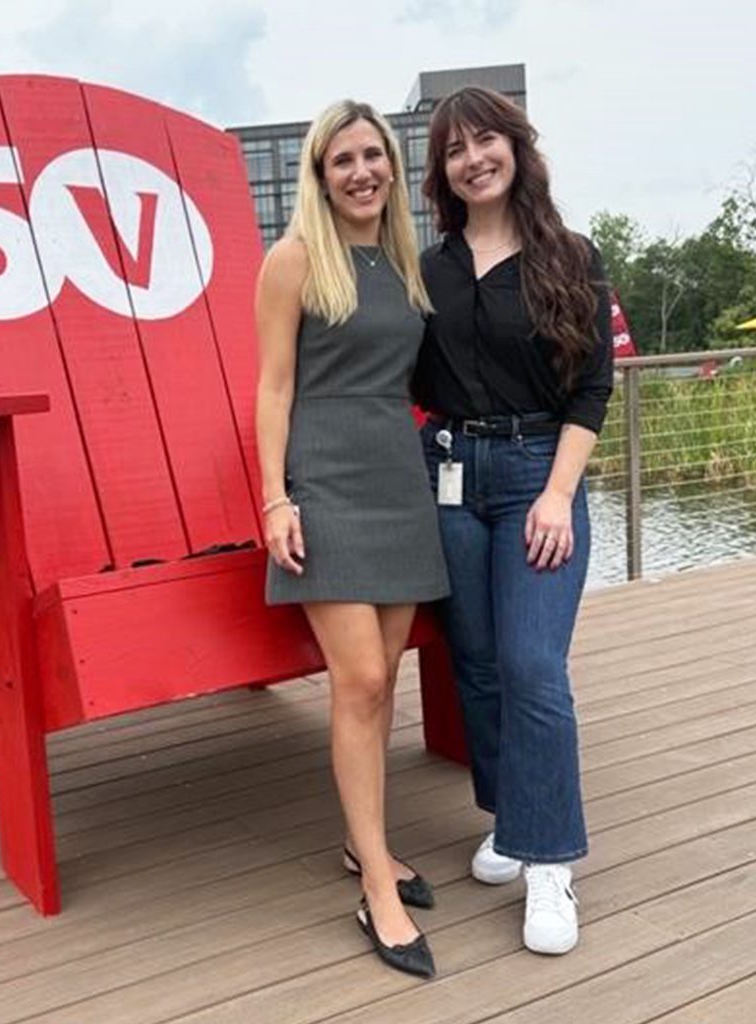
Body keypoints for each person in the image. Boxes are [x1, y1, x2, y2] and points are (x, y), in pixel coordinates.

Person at [415, 86, 614, 955]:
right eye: (456, 148)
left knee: (534, 666)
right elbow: (400, 379)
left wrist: (559, 494)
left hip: (539, 472)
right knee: (481, 665)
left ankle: (548, 862)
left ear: (516, 148)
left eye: (485, 139)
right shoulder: (430, 270)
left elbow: (593, 386)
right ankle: (509, 816)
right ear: (443, 170)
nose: (473, 158)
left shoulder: (568, 255)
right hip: (452, 473)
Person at [255, 100, 449, 978]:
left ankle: (360, 841)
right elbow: (273, 389)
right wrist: (275, 501)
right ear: (319, 173)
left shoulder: (404, 262)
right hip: (325, 481)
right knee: (359, 677)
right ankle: (375, 881)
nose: (362, 171)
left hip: (398, 479)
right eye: (344, 160)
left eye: (375, 156)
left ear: (392, 168)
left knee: (383, 685)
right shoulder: (294, 259)